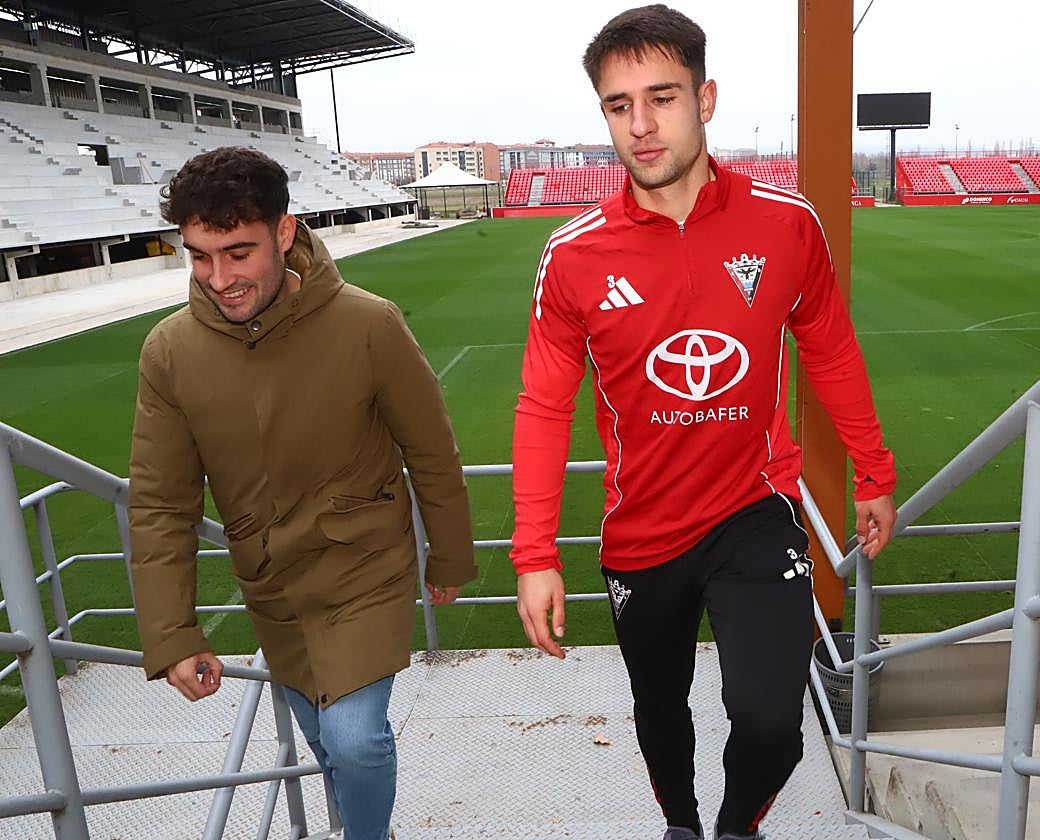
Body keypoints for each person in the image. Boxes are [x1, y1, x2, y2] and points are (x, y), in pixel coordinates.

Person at [509, 6, 897, 840]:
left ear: (705, 98)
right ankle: (682, 824)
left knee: (770, 721)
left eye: (662, 97)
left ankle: (733, 829)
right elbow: (543, 405)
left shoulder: (786, 224)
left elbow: (830, 349)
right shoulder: (573, 255)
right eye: (619, 106)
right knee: (660, 706)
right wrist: (534, 553)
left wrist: (873, 469)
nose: (641, 126)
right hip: (642, 531)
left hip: (754, 509)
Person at [128, 146, 475, 840]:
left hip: (365, 568)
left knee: (354, 740)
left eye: (238, 253)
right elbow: (162, 504)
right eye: (199, 257)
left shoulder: (370, 323)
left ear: (285, 233)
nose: (219, 279)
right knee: (326, 738)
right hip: (271, 584)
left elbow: (431, 451)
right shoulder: (168, 352)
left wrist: (450, 557)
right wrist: (173, 633)